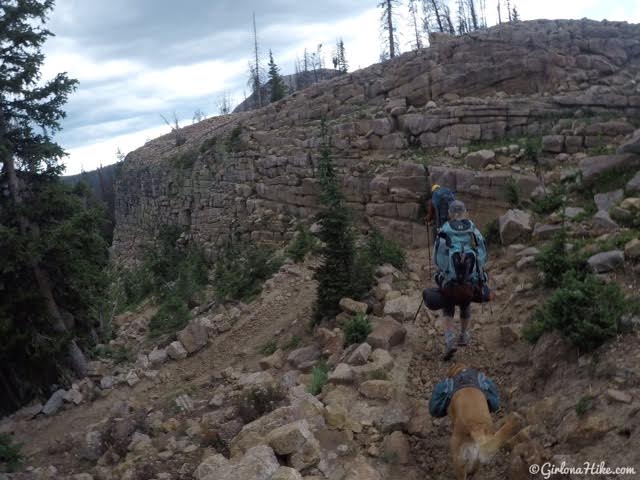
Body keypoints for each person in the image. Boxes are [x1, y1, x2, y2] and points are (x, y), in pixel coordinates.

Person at [423, 200, 493, 361]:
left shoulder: (444, 230)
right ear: (465, 212)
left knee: (448, 304)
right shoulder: (473, 229)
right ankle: (464, 335)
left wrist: (446, 273)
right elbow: (483, 255)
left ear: (449, 213)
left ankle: (449, 340)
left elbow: (438, 259)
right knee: (465, 301)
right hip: (470, 283)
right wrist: (474, 274)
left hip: (451, 283)